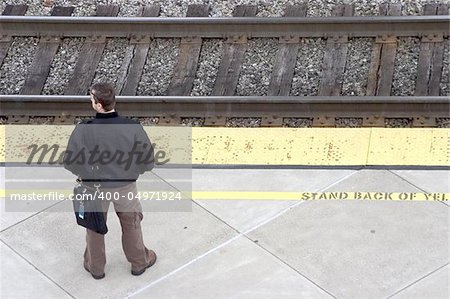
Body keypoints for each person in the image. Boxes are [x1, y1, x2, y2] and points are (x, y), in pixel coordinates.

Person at [63, 82, 156, 279]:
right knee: (131, 224)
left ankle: (95, 267)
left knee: (95, 226)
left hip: (94, 188)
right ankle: (139, 262)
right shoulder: (132, 127)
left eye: (91, 99)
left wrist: (88, 173)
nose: (91, 101)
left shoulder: (83, 129)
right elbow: (148, 162)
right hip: (125, 186)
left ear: (98, 105)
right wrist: (131, 172)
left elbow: (70, 163)